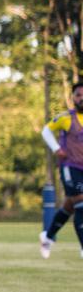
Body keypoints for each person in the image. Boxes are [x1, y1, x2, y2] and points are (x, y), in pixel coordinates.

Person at [38, 82, 83, 259]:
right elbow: (46, 131)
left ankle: (47, 237)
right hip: (69, 167)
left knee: (70, 205)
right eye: (78, 95)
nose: (81, 98)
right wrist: (57, 148)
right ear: (73, 98)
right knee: (81, 202)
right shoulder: (66, 118)